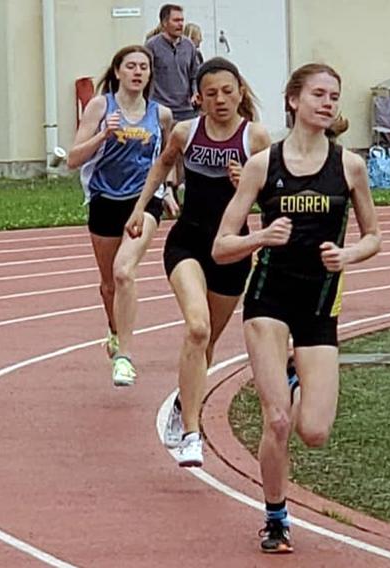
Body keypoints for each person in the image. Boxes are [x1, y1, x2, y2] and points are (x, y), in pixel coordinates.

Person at [212, 63, 381, 554]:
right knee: (278, 421)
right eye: (318, 95)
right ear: (293, 100)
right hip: (269, 296)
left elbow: (374, 237)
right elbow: (223, 244)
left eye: (334, 96)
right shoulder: (265, 164)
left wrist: (347, 255)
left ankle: (292, 375)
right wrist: (262, 236)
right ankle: (276, 517)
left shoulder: (349, 167)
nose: (328, 103)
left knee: (313, 431)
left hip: (319, 302)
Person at [125, 57, 271, 466]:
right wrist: (140, 208)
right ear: (198, 98)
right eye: (211, 93)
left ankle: (180, 405)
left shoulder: (256, 139)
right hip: (187, 244)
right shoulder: (187, 132)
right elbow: (162, 165)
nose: (220, 100)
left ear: (240, 92)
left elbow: (274, 196)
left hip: (233, 252)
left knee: (205, 345)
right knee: (197, 327)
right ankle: (192, 433)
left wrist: (249, 185)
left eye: (227, 91)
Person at [67, 45, 176, 387]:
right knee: (110, 284)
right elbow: (72, 158)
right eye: (131, 66)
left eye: (144, 66)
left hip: (144, 202)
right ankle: (115, 331)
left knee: (124, 272)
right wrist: (103, 134)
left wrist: (170, 189)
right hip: (104, 200)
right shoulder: (101, 107)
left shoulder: (161, 115)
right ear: (117, 72)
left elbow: (168, 159)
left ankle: (125, 358)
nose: (138, 72)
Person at [144, 4, 201, 122]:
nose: (180, 24)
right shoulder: (151, 46)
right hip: (161, 109)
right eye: (176, 20)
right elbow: (145, 75)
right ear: (164, 23)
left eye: (182, 20)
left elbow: (195, 75)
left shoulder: (189, 46)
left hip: (187, 110)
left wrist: (195, 92)